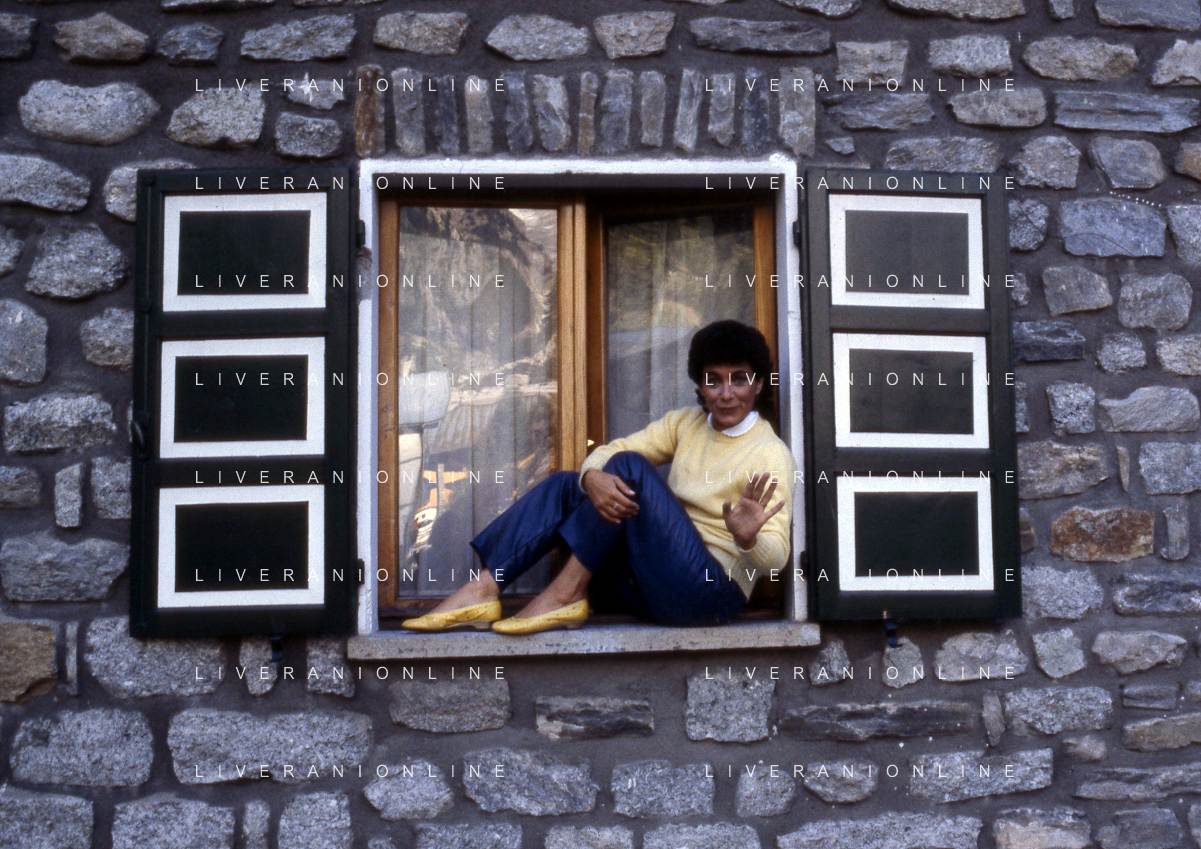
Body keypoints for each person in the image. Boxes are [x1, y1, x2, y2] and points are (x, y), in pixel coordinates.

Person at [401, 319, 797, 635]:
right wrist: (590, 477)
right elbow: (610, 451)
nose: (726, 393)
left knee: (629, 468)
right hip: (654, 586)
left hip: (708, 596)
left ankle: (566, 593)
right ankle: (484, 588)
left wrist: (748, 538)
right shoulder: (686, 424)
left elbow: (776, 559)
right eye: (714, 380)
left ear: (758, 384)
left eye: (739, 379)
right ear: (700, 385)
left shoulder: (770, 453)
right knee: (568, 483)